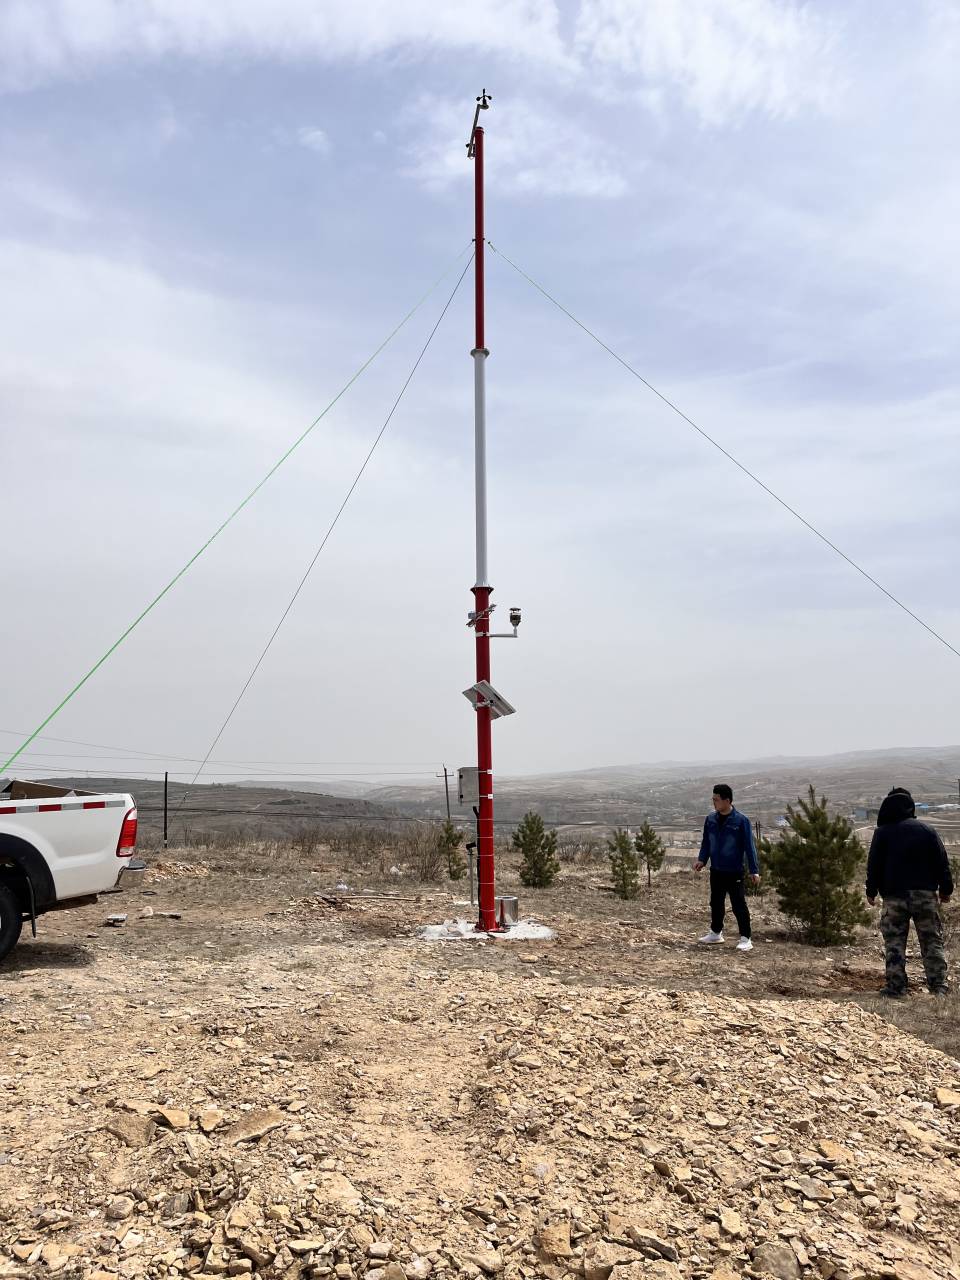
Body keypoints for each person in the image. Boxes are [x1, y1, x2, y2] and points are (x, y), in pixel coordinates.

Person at [866, 786, 952, 998]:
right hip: (925, 896)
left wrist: (871, 890)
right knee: (931, 940)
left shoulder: (882, 833)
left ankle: (896, 988)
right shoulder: (926, 830)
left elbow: (874, 864)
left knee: (894, 942)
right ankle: (939, 987)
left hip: (894, 897)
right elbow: (942, 862)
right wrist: (946, 890)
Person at [693, 784, 761, 951]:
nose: (714, 802)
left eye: (716, 799)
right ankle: (716, 933)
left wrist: (754, 870)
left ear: (727, 800)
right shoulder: (710, 819)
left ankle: (745, 938)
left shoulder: (741, 821)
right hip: (716, 870)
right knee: (716, 902)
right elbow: (707, 842)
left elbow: (749, 847)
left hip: (734, 871)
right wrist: (702, 859)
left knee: (738, 904)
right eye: (713, 799)